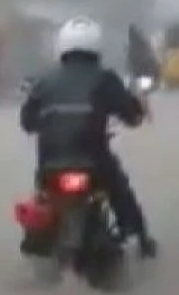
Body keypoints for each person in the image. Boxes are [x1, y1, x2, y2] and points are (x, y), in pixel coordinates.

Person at [19, 17, 159, 259]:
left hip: (50, 163)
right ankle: (142, 239)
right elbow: (132, 117)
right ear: (96, 45)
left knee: (42, 194)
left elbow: (27, 123)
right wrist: (139, 104)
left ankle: (39, 235)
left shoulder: (44, 81)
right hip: (93, 161)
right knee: (120, 190)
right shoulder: (105, 78)